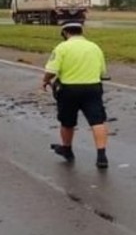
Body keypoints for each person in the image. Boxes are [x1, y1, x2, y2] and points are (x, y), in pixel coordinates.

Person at [42, 21, 111, 168]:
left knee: (67, 122)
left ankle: (67, 149)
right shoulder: (94, 47)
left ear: (65, 33)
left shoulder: (62, 48)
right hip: (93, 87)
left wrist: (45, 81)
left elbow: (52, 70)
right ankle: (101, 155)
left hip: (69, 89)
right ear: (81, 31)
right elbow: (103, 72)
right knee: (97, 121)